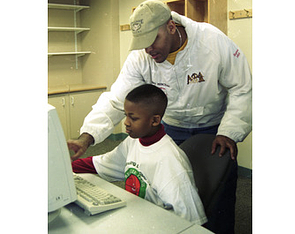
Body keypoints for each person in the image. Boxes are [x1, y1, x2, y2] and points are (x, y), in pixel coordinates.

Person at [68, 0, 252, 162]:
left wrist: (229, 133)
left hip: (212, 128)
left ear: (171, 27)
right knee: (167, 185)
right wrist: (86, 138)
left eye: (153, 40)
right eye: (143, 43)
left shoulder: (213, 41)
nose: (148, 49)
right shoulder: (140, 57)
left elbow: (242, 87)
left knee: (216, 188)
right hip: (169, 128)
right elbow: (117, 100)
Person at [72, 84, 208, 225]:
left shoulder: (169, 161)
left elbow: (192, 220)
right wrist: (67, 167)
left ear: (155, 120)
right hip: (139, 216)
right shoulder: (133, 141)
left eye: (133, 118)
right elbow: (103, 163)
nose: (126, 122)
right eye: (126, 116)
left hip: (160, 225)